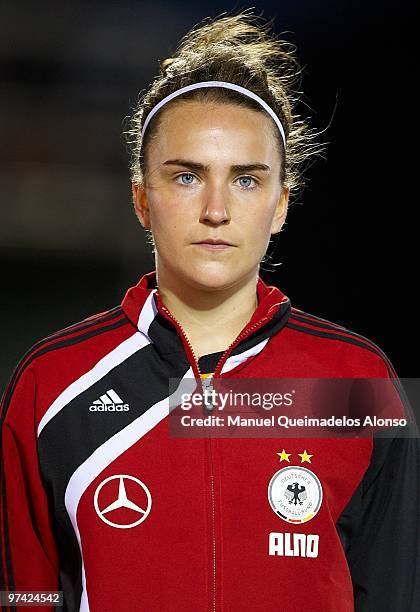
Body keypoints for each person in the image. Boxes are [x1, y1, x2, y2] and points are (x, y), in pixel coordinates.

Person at [1, 10, 419, 612]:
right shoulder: (50, 383)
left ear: (281, 205)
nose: (217, 210)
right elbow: (25, 597)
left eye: (247, 180)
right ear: (143, 199)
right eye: (188, 177)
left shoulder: (359, 381)